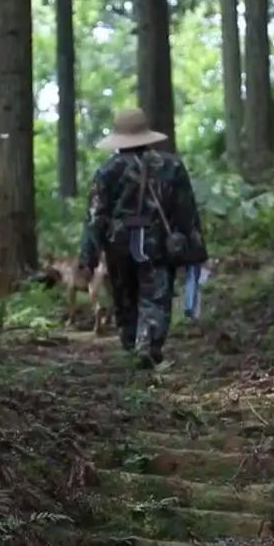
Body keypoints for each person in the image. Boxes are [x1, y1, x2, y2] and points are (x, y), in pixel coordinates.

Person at [77, 108, 203, 368]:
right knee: (155, 296)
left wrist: (87, 257)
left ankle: (132, 347)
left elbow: (95, 217)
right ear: (147, 136)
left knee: (125, 298)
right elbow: (186, 211)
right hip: (157, 243)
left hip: (119, 245)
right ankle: (147, 346)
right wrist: (195, 252)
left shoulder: (107, 171)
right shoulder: (172, 166)